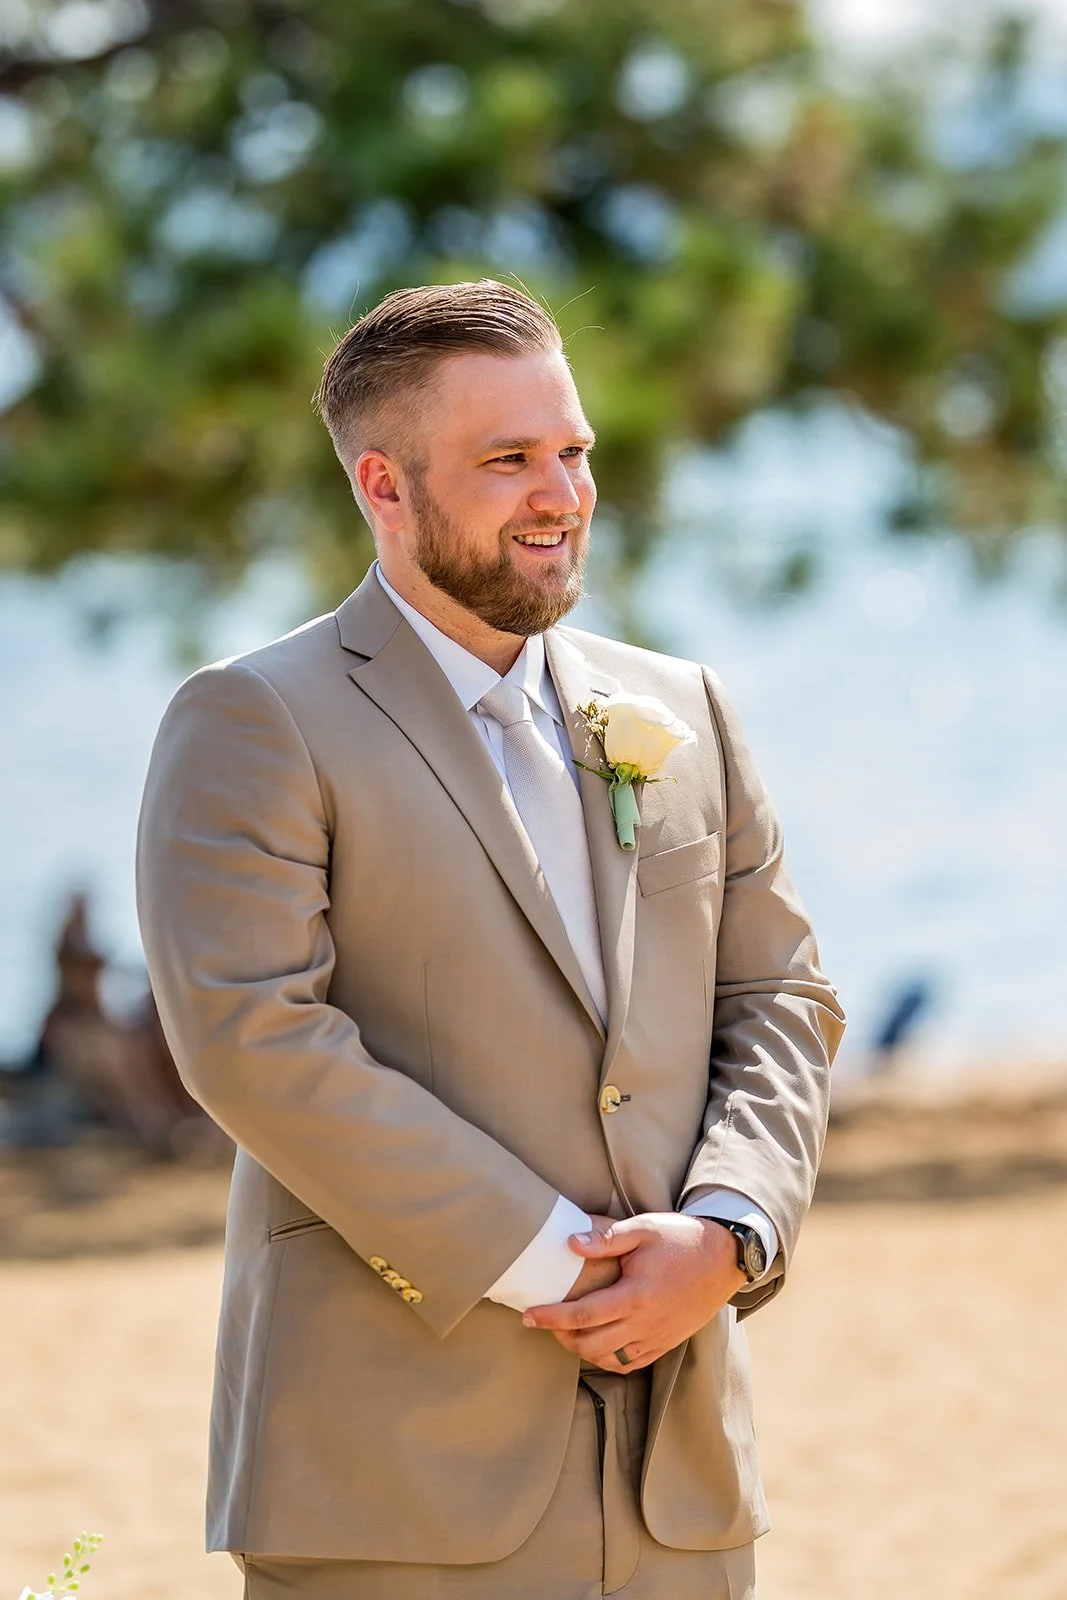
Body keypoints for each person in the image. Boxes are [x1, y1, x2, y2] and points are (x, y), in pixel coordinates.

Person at [136, 279, 845, 1600]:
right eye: (507, 459)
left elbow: (781, 995)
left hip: (679, 1484)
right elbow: (253, 1041)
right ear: (383, 488)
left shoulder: (682, 705)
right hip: (391, 1475)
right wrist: (551, 1263)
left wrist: (729, 1230)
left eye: (572, 453)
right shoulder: (253, 722)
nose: (560, 494)